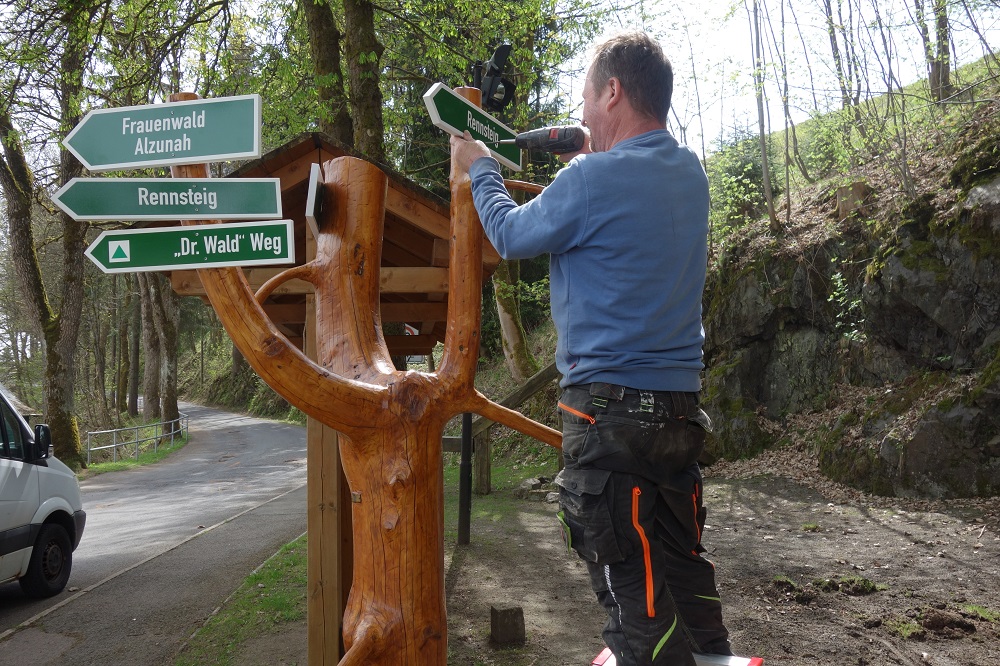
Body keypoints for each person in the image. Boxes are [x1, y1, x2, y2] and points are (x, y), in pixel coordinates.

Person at [450, 31, 731, 666]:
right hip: (679, 416)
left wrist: (481, 168)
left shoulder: (590, 180)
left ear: (613, 90)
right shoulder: (690, 174)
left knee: (630, 597)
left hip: (607, 421)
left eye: (585, 98)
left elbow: (511, 233)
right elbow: (609, 186)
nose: (578, 114)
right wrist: (579, 144)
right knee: (683, 575)